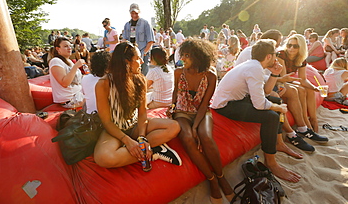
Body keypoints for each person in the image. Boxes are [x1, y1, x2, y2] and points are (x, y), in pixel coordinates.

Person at [211, 39, 301, 183]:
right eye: (275, 54)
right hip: (225, 105)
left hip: (235, 100)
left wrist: (275, 74)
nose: (277, 57)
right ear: (268, 57)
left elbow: (266, 91)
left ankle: (277, 142)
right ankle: (271, 162)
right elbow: (260, 104)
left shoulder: (254, 66)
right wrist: (278, 108)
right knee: (271, 116)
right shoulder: (255, 69)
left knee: (276, 101)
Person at [94, 42, 182, 168]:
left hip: (135, 126)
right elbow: (107, 122)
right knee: (103, 158)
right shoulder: (103, 84)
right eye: (138, 58)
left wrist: (142, 137)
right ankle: (151, 151)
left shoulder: (140, 80)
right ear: (126, 62)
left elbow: (142, 114)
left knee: (174, 127)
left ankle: (142, 147)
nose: (142, 61)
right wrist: (126, 140)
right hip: (114, 130)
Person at [171, 39, 234, 202]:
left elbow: (205, 104)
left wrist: (196, 127)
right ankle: (211, 179)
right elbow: (175, 92)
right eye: (182, 55)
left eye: (187, 56)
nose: (182, 59)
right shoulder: (178, 72)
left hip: (202, 112)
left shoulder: (211, 76)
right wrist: (171, 108)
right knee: (187, 138)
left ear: (198, 57)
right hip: (182, 112)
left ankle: (221, 177)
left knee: (205, 136)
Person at [277, 34, 329, 139]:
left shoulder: (301, 58)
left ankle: (313, 119)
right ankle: (305, 122)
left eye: (295, 46)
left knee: (309, 90)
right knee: (300, 90)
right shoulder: (281, 54)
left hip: (285, 81)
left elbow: (303, 79)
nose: (291, 48)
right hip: (277, 81)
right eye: (289, 45)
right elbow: (283, 78)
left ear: (301, 47)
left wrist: (315, 88)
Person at [49, 37, 84, 109]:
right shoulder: (55, 61)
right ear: (58, 49)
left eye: (70, 46)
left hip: (79, 94)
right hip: (71, 100)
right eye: (65, 46)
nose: (69, 48)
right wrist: (76, 66)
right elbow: (65, 83)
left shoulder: (69, 61)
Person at [122, 3, 154, 76]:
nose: (134, 15)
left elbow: (151, 41)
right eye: (132, 13)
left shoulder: (145, 23)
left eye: (136, 13)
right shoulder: (127, 25)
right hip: (131, 53)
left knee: (143, 74)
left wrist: (144, 52)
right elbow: (124, 39)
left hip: (143, 52)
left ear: (139, 12)